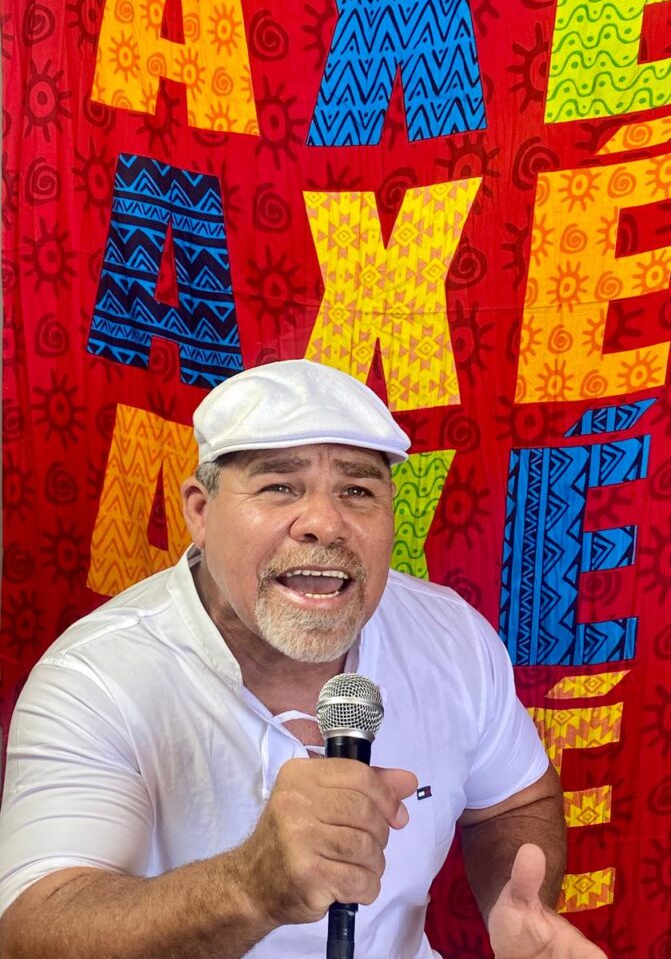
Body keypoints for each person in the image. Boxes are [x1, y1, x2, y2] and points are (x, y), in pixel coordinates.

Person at [0, 359, 606, 959]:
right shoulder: (94, 676)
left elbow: (516, 802)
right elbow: (35, 930)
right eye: (279, 487)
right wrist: (249, 887)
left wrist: (518, 906)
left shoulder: (451, 636)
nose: (324, 523)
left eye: (357, 491)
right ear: (200, 512)